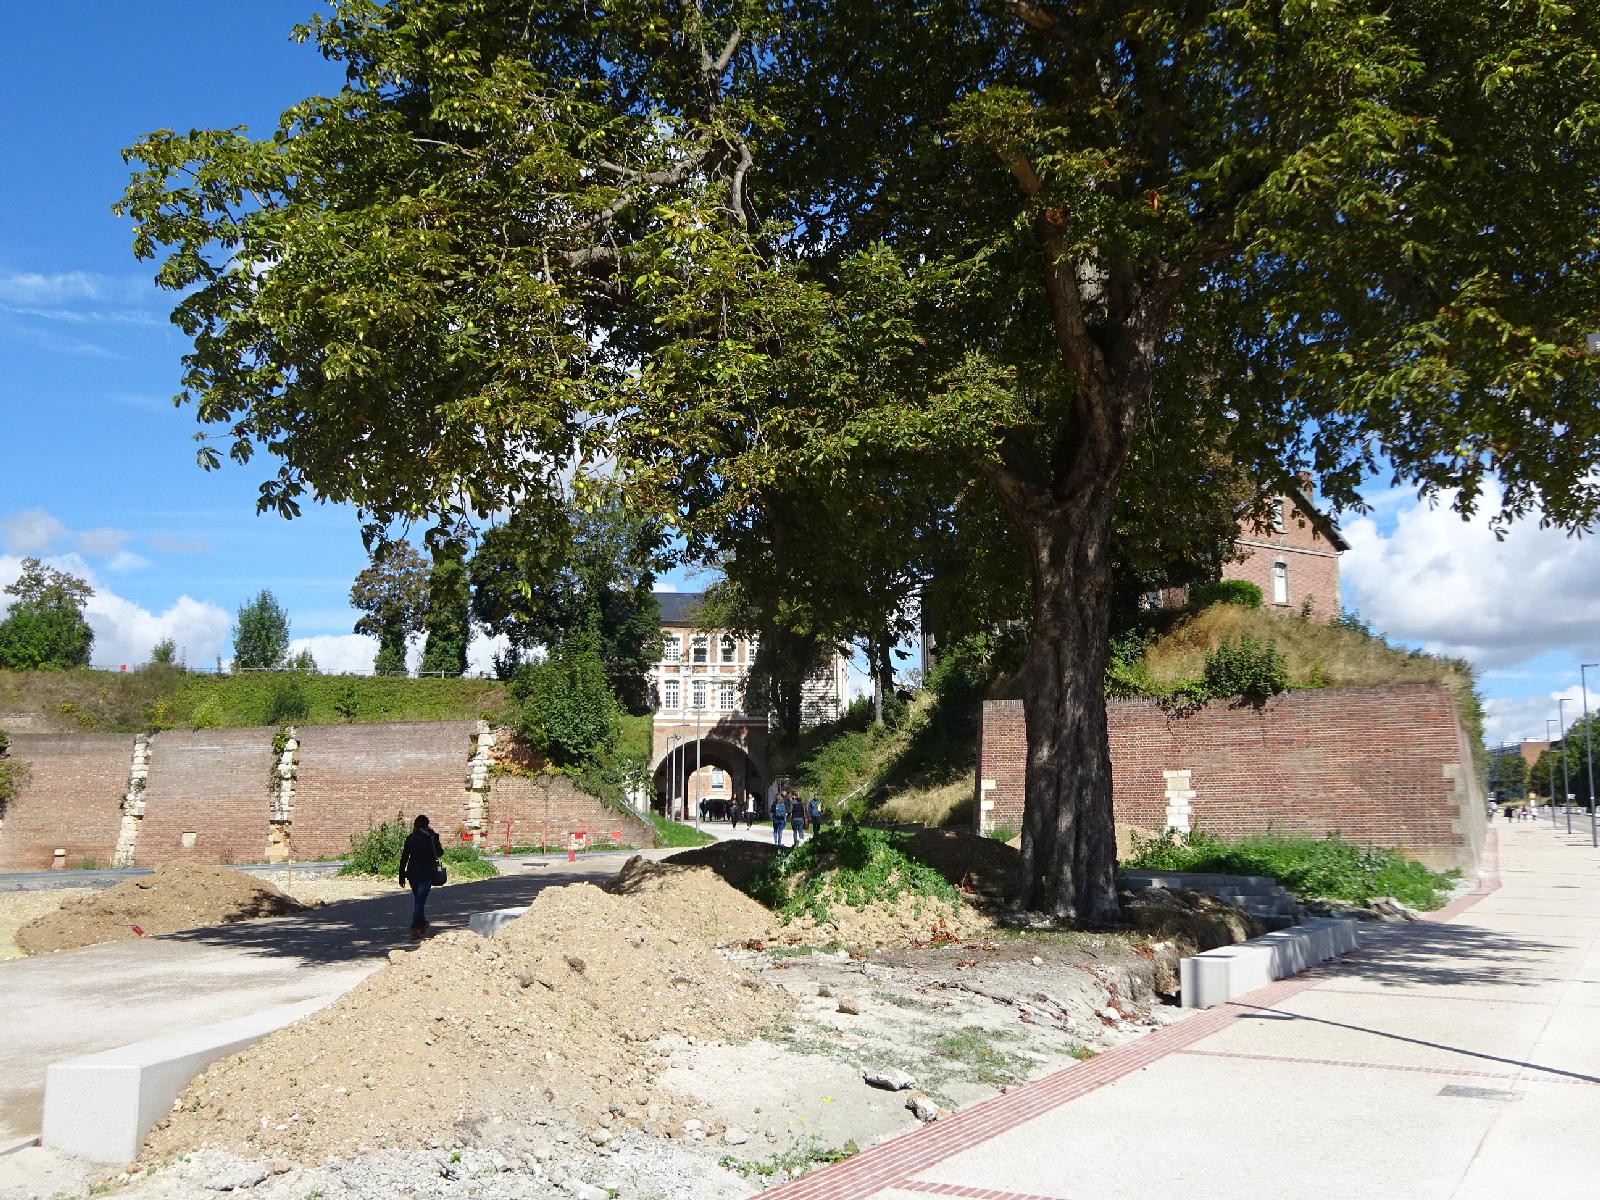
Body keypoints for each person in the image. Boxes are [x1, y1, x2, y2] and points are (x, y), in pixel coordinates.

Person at [398, 813, 444, 939]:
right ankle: (415, 928)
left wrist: (401, 876)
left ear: (415, 825)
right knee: (420, 901)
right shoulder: (431, 837)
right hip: (427, 873)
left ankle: (422, 924)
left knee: (419, 900)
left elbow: (404, 858)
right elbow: (440, 853)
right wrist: (435, 840)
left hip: (412, 874)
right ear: (427, 824)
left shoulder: (410, 838)